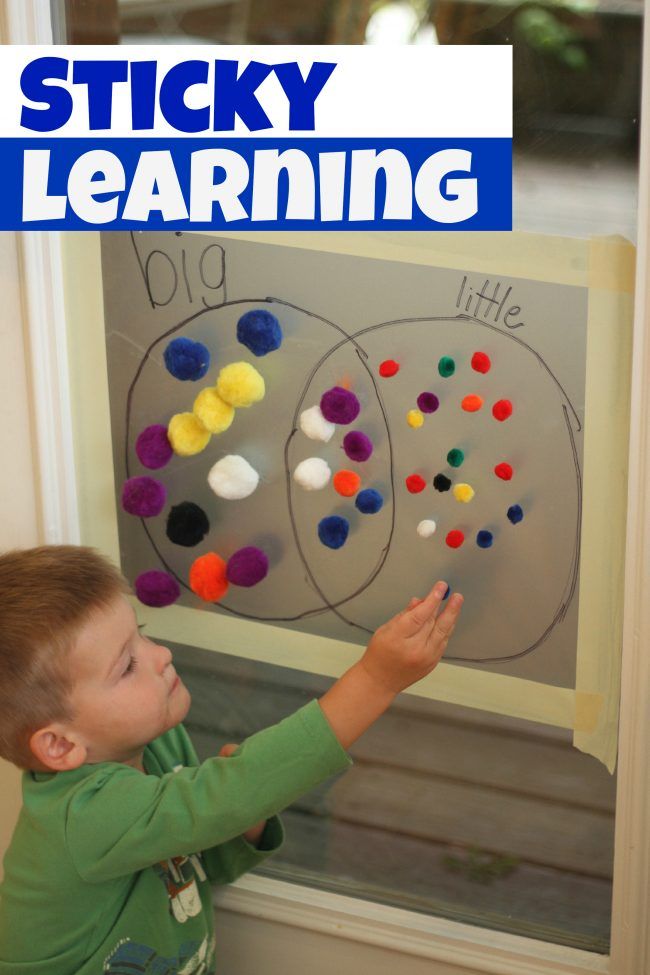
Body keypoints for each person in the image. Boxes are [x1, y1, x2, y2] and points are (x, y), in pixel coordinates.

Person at [0, 545, 463, 975]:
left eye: (142, 636)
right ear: (60, 745)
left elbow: (203, 863)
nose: (162, 655)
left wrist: (243, 821)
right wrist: (376, 680)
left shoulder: (154, 746)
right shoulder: (81, 816)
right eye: (126, 666)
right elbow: (237, 790)